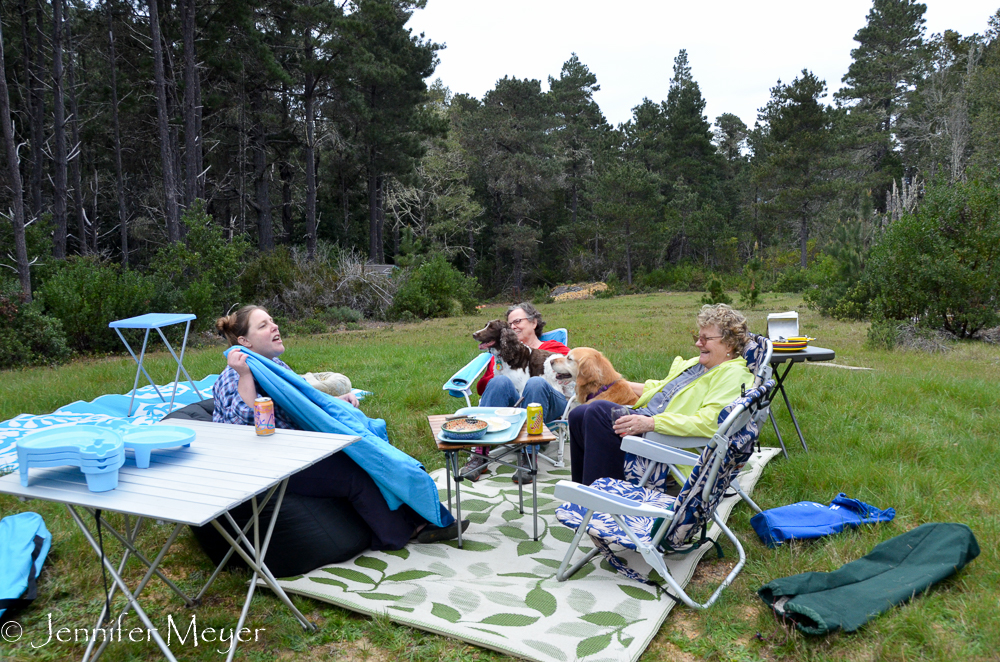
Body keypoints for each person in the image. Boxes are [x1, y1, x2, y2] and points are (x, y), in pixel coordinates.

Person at [213, 305, 467, 549]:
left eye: (272, 320)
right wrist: (245, 376)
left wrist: (337, 401)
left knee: (370, 453)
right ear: (244, 342)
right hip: (270, 464)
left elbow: (305, 401)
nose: (274, 326)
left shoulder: (274, 366)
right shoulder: (233, 376)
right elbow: (252, 426)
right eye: (263, 325)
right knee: (354, 473)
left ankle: (423, 519)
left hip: (295, 448)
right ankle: (398, 534)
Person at [568, 303, 754, 486]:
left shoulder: (733, 374)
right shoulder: (699, 365)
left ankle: (603, 500)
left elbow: (711, 423)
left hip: (664, 439)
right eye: (698, 337)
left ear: (728, 344)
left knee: (598, 411)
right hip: (648, 421)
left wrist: (651, 423)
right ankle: (585, 490)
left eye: (705, 339)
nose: (698, 343)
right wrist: (614, 383)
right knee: (577, 415)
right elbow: (662, 389)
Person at [462, 303, 570, 482]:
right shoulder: (500, 355)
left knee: (536, 383)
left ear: (534, 323)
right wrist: (501, 369)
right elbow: (483, 388)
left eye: (518, 321)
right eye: (510, 324)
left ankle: (528, 455)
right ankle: (480, 454)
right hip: (513, 408)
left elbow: (575, 369)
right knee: (499, 381)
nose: (513, 327)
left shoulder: (554, 346)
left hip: (550, 405)